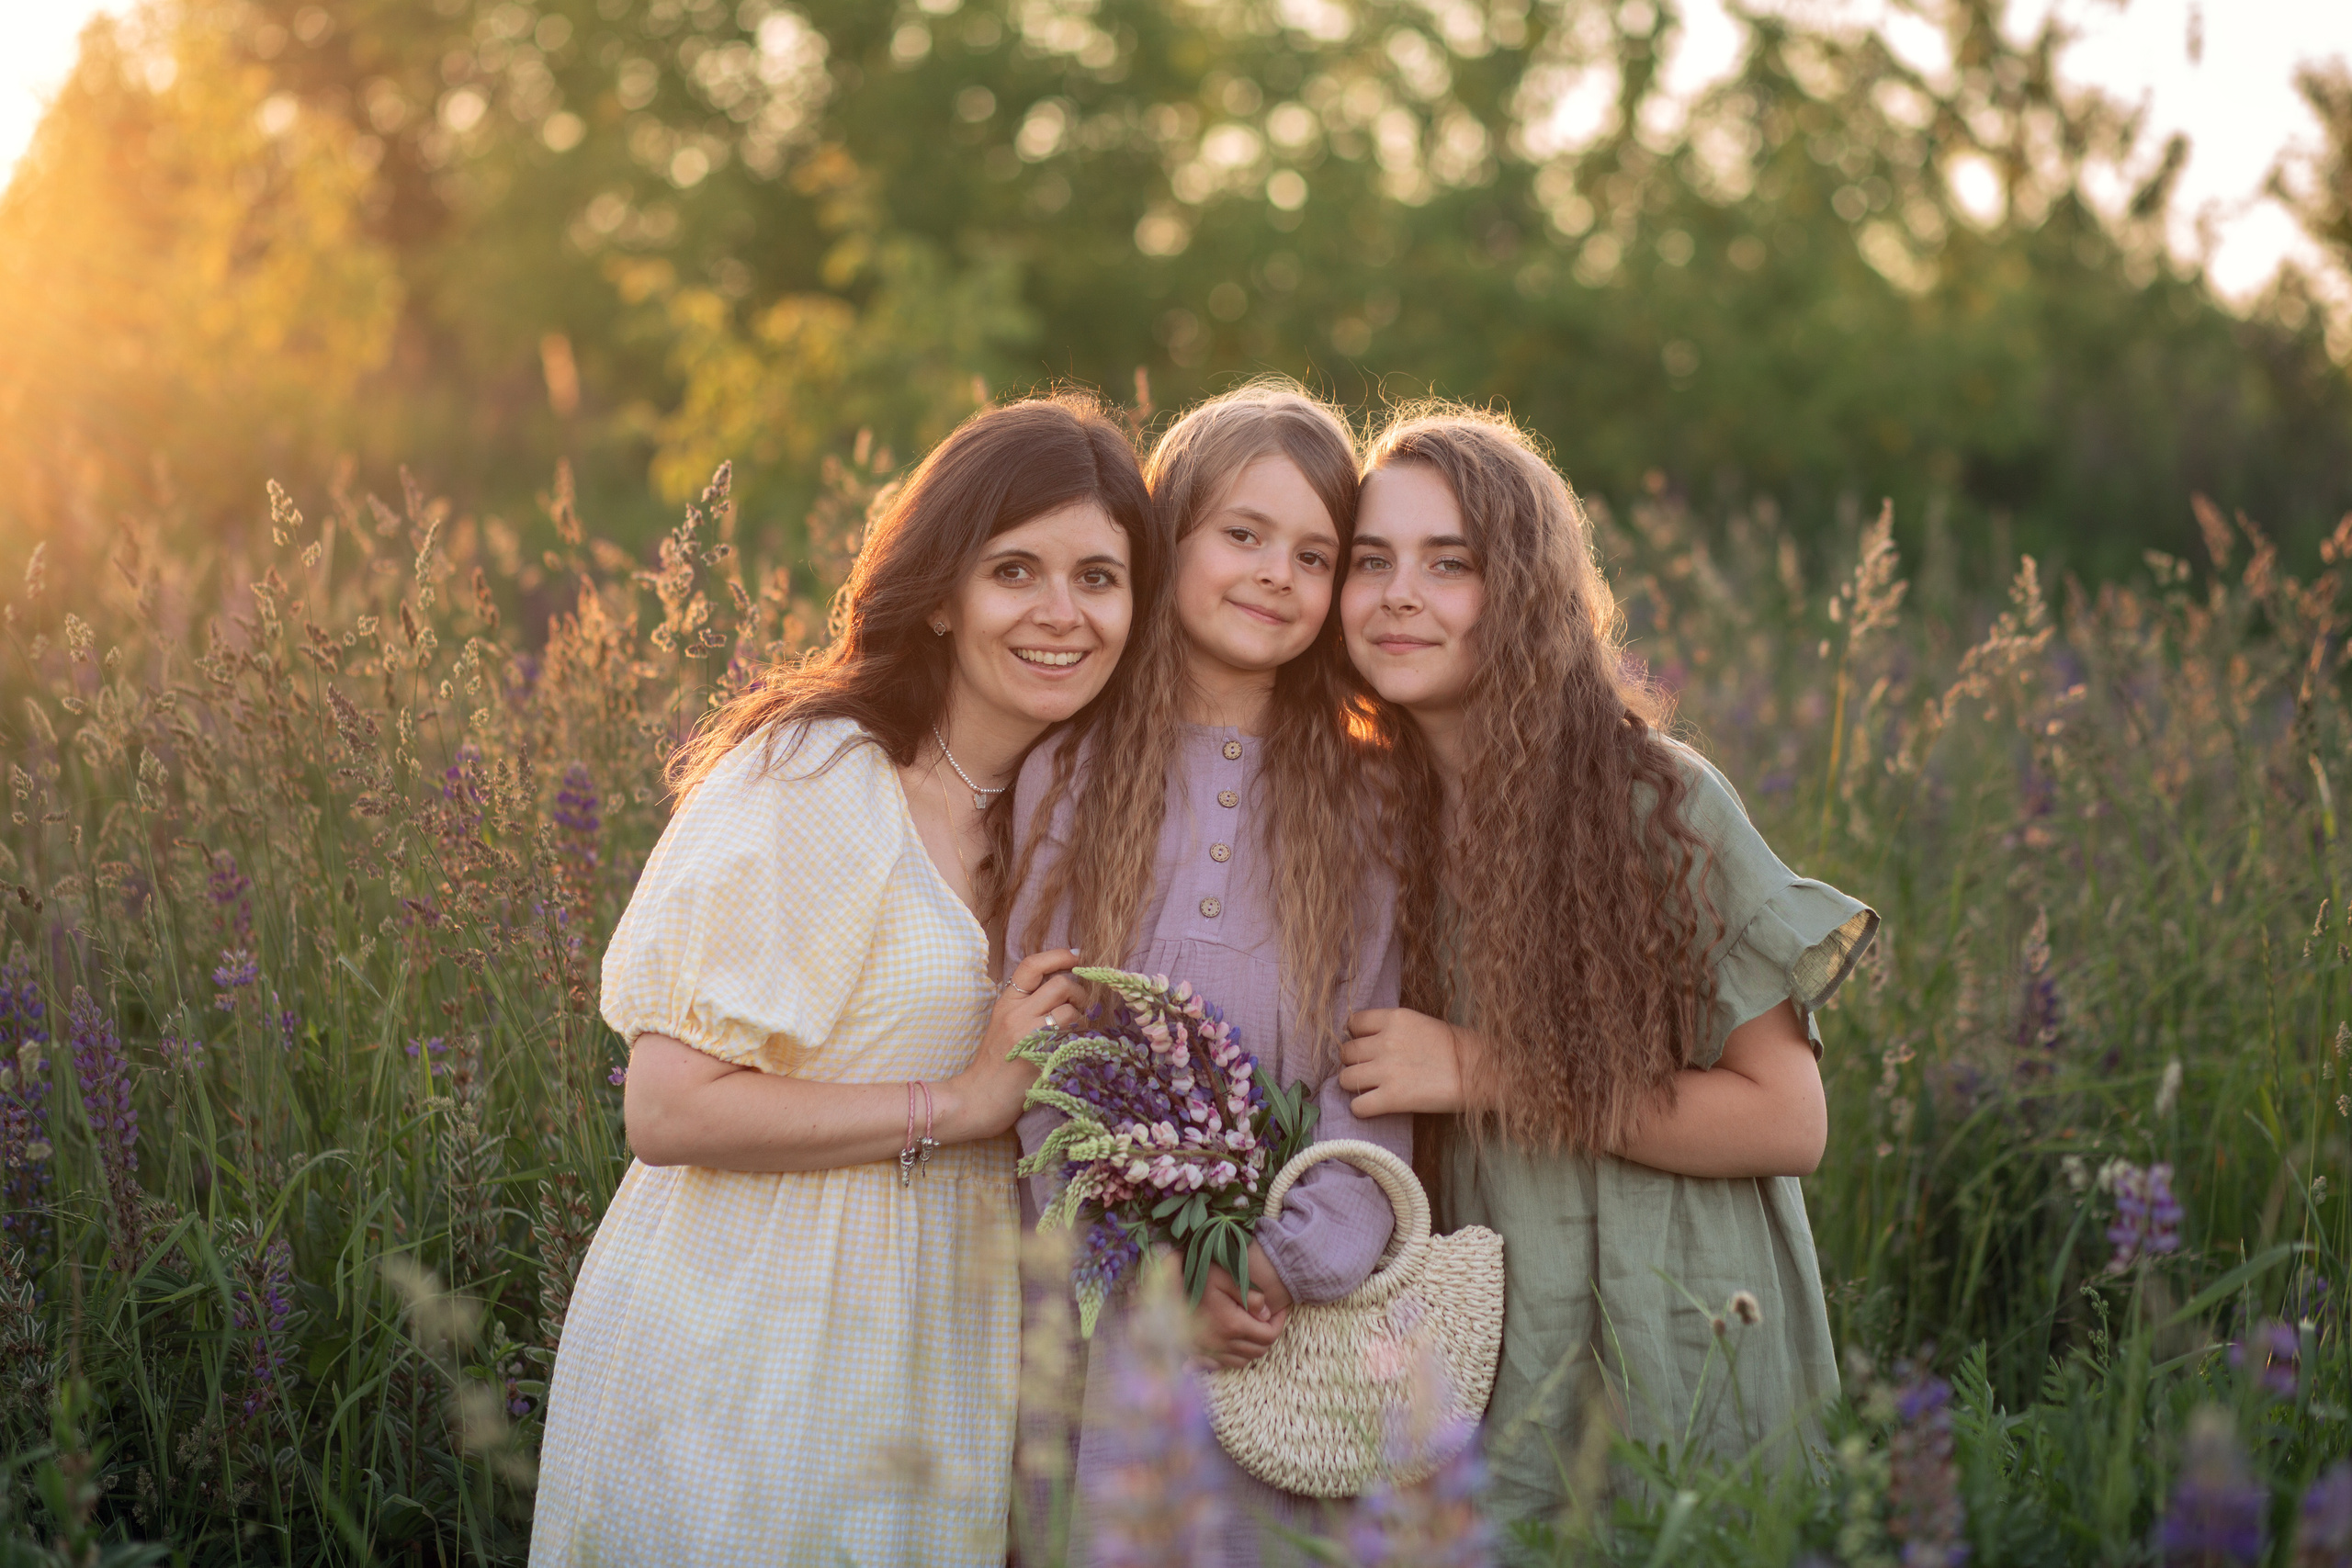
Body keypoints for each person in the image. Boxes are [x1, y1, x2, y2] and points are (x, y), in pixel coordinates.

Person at [531, 395, 1164, 1568]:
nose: (1062, 614)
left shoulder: (1074, 815)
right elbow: (665, 1108)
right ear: (939, 594)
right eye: (1014, 570)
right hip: (755, 1333)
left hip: (944, 1350)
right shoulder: (822, 777)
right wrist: (963, 1103)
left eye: (1099, 577)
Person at [1331, 406, 1878, 1538]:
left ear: (1524, 590)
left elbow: (1786, 1120)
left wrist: (1485, 1071)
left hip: (1667, 1308)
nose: (1398, 593)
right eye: (1369, 560)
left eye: (1450, 564)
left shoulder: (1652, 802)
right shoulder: (1366, 809)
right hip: (1483, 1323)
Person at [1004, 380, 1408, 1565]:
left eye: (1314, 553)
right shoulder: (1072, 771)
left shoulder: (1371, 799)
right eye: (1241, 535)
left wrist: (1287, 1263)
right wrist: (1152, 1273)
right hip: (1112, 1303)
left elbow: (1369, 1070)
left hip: (1292, 1319)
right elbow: (1044, 1062)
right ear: (1167, 540)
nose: (1276, 573)